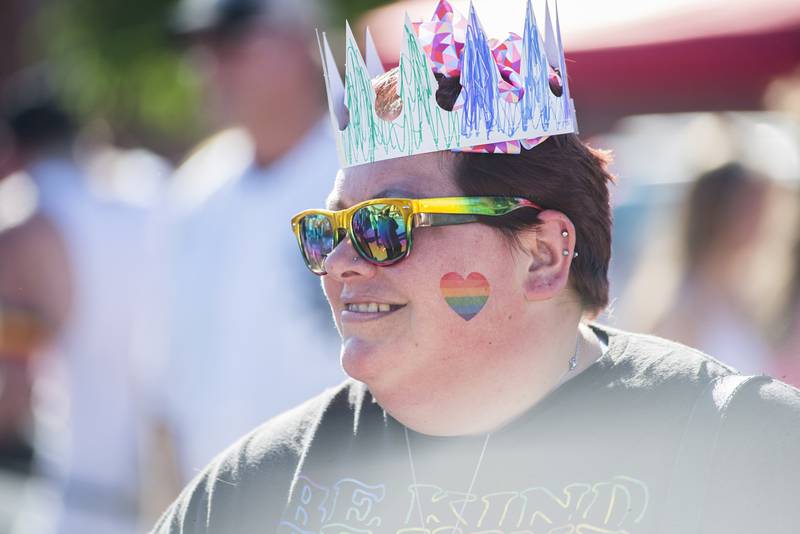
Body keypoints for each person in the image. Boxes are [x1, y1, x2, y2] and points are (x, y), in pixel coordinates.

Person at [152, 1, 800, 532]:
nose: (340, 264)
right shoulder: (251, 493)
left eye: (387, 226)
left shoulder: (744, 449)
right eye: (329, 231)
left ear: (543, 255)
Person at [147, 0, 343, 486]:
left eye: (232, 44)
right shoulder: (196, 190)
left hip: (344, 499)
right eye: (204, 49)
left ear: (300, 42)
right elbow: (168, 375)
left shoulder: (366, 174)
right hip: (217, 502)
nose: (211, 67)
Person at [0, 69, 161, 534]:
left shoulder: (25, 216)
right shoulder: (155, 188)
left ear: (14, 150)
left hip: (78, 497)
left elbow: (12, 386)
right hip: (180, 488)